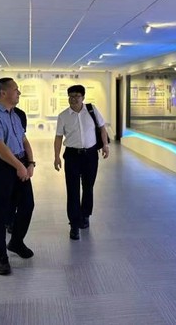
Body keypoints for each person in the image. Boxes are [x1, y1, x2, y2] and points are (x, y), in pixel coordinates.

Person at [0, 78, 35, 275]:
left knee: (27, 205)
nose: (19, 93)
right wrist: (19, 166)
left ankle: (16, 242)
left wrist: (30, 162)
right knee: (0, 212)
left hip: (20, 163)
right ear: (3, 92)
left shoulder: (15, 115)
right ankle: (1, 256)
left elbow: (24, 140)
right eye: (16, 89)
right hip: (1, 168)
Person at [54, 85, 109, 240]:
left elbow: (102, 127)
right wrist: (56, 156)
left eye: (77, 96)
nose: (74, 99)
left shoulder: (92, 110)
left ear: (83, 97)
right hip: (72, 156)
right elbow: (58, 137)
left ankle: (85, 215)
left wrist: (105, 145)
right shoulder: (63, 116)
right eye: (71, 96)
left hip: (90, 155)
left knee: (88, 187)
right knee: (72, 190)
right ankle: (74, 224)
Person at [6, 106, 27, 234]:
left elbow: (23, 139)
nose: (18, 96)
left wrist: (29, 163)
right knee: (8, 194)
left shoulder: (19, 114)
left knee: (24, 199)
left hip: (21, 158)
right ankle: (9, 220)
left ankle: (15, 222)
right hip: (5, 162)